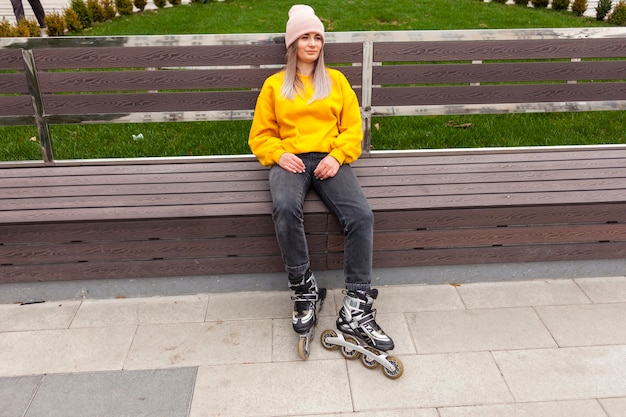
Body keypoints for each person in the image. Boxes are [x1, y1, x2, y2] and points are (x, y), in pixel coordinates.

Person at [248, 4, 394, 352]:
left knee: (360, 215)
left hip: (329, 160)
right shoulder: (274, 87)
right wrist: (279, 154)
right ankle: (304, 288)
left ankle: (356, 305)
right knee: (284, 206)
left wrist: (336, 156)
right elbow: (260, 135)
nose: (312, 44)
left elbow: (353, 130)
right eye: (304, 37)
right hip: (290, 160)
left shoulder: (337, 81)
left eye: (317, 37)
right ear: (292, 44)